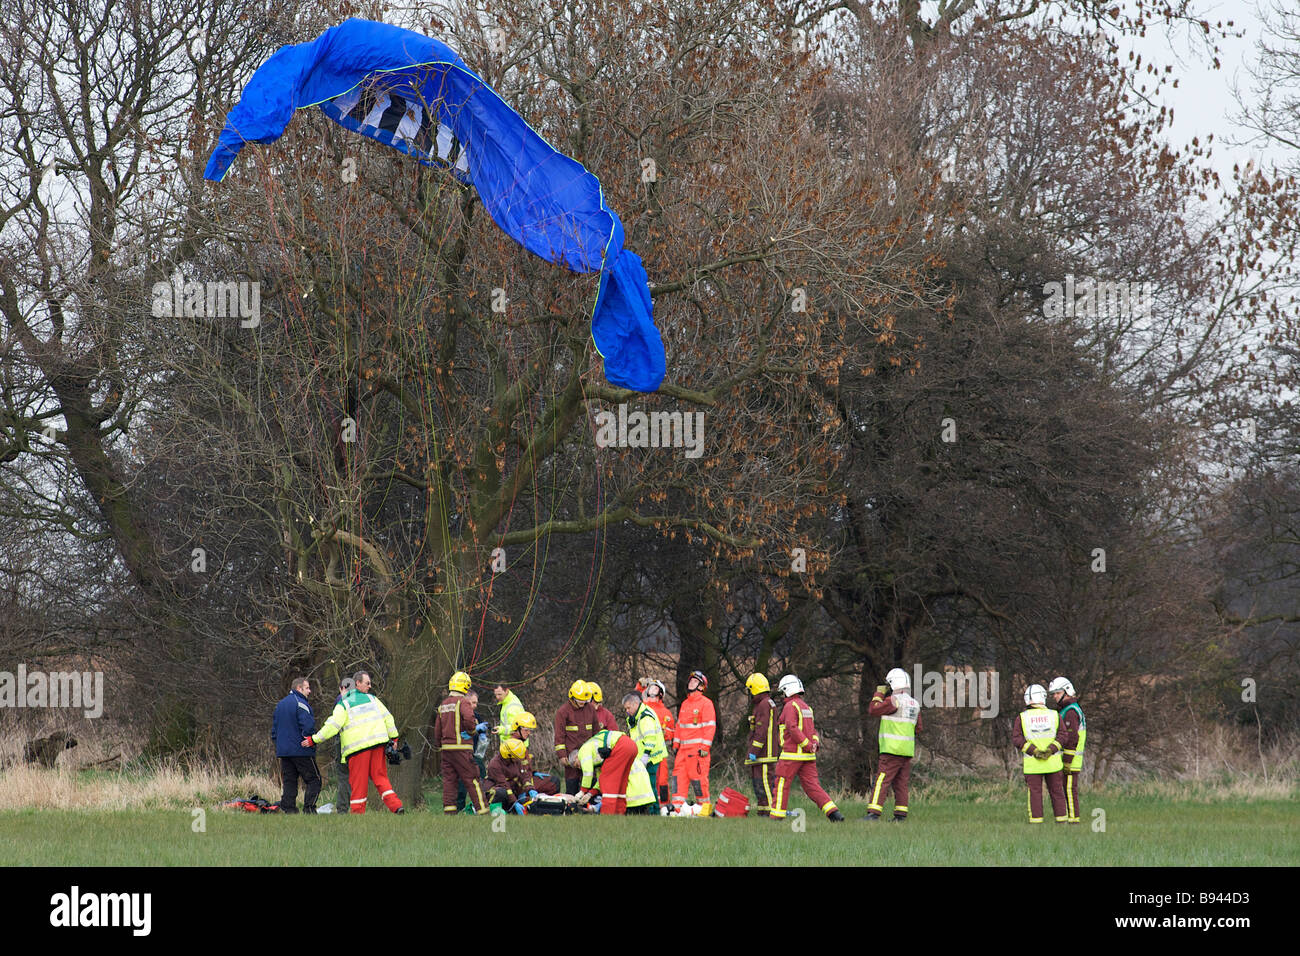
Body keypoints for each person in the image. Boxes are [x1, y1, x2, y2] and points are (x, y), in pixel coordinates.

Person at [302, 670, 403, 814]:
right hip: (378, 746)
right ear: (357, 684)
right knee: (381, 778)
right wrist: (394, 739)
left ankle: (357, 812)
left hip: (357, 749)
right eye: (367, 683)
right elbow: (388, 718)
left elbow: (332, 726)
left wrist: (314, 739)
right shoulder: (373, 700)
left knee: (358, 784)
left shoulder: (343, 704)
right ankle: (396, 806)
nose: (369, 686)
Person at [769, 674, 845, 822]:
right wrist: (814, 746)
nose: (782, 694)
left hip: (791, 755)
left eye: (783, 691)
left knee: (781, 784)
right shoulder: (807, 707)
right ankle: (834, 814)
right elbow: (813, 731)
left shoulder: (790, 706)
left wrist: (806, 745)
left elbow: (792, 727)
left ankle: (776, 817)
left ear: (787, 690)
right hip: (808, 756)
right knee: (813, 787)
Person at [865, 667, 922, 821]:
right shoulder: (915, 704)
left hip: (891, 750)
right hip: (907, 751)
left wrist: (879, 694)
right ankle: (900, 815)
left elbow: (873, 709)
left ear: (893, 684)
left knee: (881, 781)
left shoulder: (893, 701)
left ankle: (873, 813)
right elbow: (918, 728)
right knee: (901, 784)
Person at [1012, 684, 1070, 824]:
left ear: (1027, 699)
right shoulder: (1054, 715)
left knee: (1035, 794)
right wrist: (1051, 749)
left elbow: (1017, 739)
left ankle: (1036, 823)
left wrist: (1034, 751)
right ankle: (1061, 821)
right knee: (1057, 793)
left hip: (1033, 765)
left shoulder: (1022, 717)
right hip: (1053, 763)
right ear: (1043, 697)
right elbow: (1063, 736)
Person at [437, 671, 489, 815]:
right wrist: (473, 731)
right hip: (462, 749)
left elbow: (438, 729)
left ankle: (449, 812)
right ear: (465, 686)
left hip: (446, 750)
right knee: (472, 779)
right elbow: (468, 719)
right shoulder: (463, 702)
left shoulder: (443, 704)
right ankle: (483, 811)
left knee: (449, 782)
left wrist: (440, 745)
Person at [572, 729, 657, 815]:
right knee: (619, 787)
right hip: (630, 746)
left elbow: (588, 772)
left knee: (609, 784)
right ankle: (619, 813)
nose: (579, 767)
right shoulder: (597, 758)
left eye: (577, 765)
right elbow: (600, 780)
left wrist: (582, 791)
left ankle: (607, 815)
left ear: (576, 757)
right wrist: (590, 794)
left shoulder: (583, 751)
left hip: (621, 746)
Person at [272, 677, 321, 813]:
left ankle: (289, 809)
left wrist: (279, 745)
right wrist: (311, 742)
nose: (309, 691)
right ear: (299, 688)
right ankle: (309, 809)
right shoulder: (301, 704)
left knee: (289, 781)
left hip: (284, 751)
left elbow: (274, 731)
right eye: (307, 688)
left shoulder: (280, 705)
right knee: (314, 780)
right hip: (302, 749)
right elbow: (308, 726)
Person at [671, 670, 716, 812]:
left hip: (697, 752)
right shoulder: (685, 704)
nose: (691, 683)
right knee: (678, 779)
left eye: (695, 681)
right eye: (691, 680)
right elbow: (679, 726)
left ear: (702, 687)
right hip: (682, 751)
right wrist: (675, 744)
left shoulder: (706, 704)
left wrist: (704, 747)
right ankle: (677, 809)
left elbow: (710, 727)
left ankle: (704, 809)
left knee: (699, 780)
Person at [554, 680, 601, 794]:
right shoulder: (563, 712)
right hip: (571, 754)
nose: (582, 703)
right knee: (572, 784)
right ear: (572, 697)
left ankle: (589, 807)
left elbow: (596, 732)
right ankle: (572, 807)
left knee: (590, 780)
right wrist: (562, 755)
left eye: (585, 700)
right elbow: (559, 735)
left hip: (589, 753)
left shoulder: (590, 709)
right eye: (580, 700)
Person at [1050, 676, 1085, 824]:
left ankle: (1073, 820)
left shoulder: (1070, 712)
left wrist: (1067, 761)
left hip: (1071, 759)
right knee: (1067, 788)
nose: (1055, 696)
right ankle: (1071, 818)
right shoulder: (1066, 710)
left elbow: (1072, 739)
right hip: (1069, 758)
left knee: (1070, 789)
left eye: (1058, 693)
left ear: (1067, 691)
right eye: (1054, 694)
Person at [744, 673, 780, 817]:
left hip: (764, 754)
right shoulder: (765, 703)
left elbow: (761, 731)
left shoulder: (764, 705)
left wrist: (754, 750)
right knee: (759, 783)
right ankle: (763, 811)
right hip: (763, 753)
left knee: (765, 783)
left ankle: (773, 812)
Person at [639, 678, 675, 804]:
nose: (652, 689)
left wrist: (667, 734)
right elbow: (633, 699)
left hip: (659, 751)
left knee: (662, 779)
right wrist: (640, 685)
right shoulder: (642, 707)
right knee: (643, 777)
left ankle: (663, 805)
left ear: (661, 694)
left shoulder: (666, 713)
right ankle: (646, 804)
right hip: (643, 751)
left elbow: (671, 732)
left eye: (655, 687)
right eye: (650, 687)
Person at [507, 711, 560, 795]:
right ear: (517, 729)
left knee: (553, 781)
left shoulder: (519, 742)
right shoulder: (514, 745)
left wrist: (533, 772)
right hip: (520, 784)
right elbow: (516, 772)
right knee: (554, 783)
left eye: (530, 730)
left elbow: (524, 766)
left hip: (525, 779)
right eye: (526, 730)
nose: (528, 733)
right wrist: (527, 788)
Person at [622, 692, 668, 788]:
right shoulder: (635, 717)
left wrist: (646, 755)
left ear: (635, 704)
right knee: (646, 785)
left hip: (651, 755)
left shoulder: (645, 717)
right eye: (625, 709)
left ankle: (654, 804)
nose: (627, 711)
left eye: (628, 708)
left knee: (649, 785)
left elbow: (650, 738)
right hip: (643, 756)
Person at [486, 739, 538, 814]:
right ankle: (493, 809)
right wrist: (514, 802)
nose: (518, 759)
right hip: (495, 792)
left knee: (524, 795)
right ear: (508, 755)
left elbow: (524, 776)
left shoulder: (515, 761)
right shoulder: (495, 765)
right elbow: (504, 785)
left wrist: (530, 789)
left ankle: (511, 809)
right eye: (516, 757)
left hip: (510, 792)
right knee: (501, 793)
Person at [329, 677, 355, 811]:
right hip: (358, 742)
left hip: (343, 742)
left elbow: (336, 723)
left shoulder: (340, 700)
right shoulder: (360, 700)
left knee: (344, 775)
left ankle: (343, 807)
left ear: (342, 688)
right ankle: (356, 806)